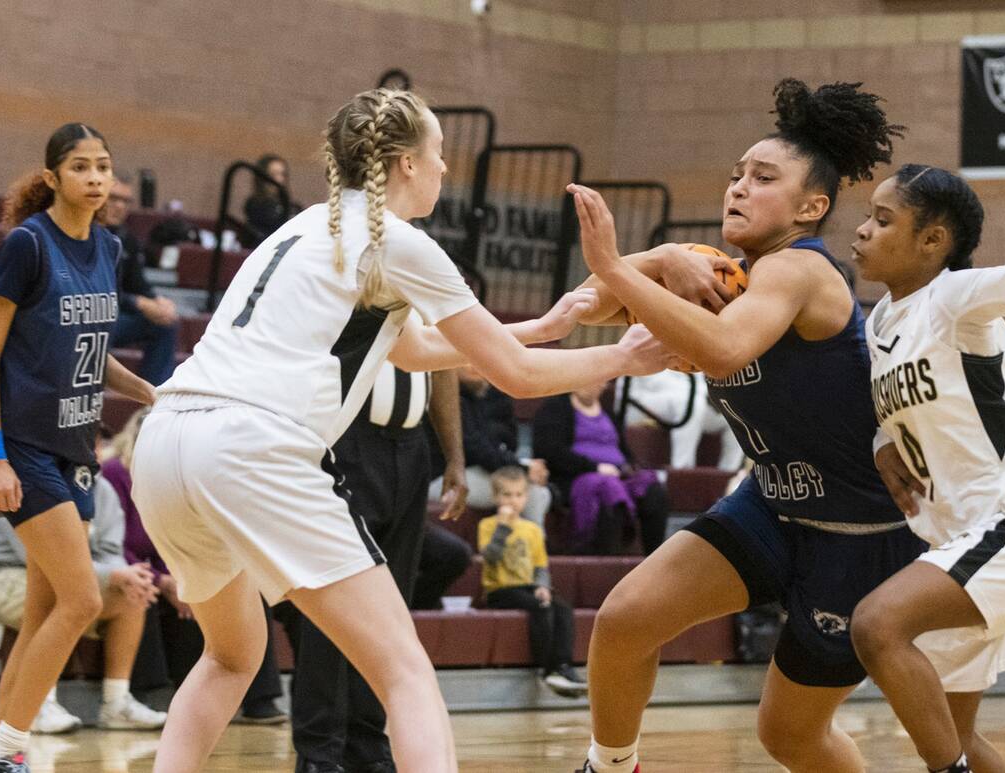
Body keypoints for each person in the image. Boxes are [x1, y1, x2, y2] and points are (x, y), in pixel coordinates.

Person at [127, 87, 668, 773]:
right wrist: (623, 356)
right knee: (405, 671)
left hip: (168, 440)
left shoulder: (305, 226)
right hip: (251, 446)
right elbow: (515, 377)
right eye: (439, 154)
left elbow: (409, 346)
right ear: (407, 164)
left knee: (231, 655)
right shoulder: (399, 240)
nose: (445, 170)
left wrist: (542, 326)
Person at [566, 79, 920, 773]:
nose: (738, 188)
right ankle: (611, 766)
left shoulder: (801, 271)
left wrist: (615, 261)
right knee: (624, 620)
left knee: (789, 736)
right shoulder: (726, 274)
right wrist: (663, 256)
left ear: (811, 206)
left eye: (762, 178)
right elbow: (587, 304)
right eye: (735, 174)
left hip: (859, 533)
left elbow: (725, 348)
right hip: (774, 503)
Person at [847, 82, 1005, 773]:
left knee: (876, 624)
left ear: (932, 241)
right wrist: (880, 441)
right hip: (958, 537)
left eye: (882, 218)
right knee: (957, 741)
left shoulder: (956, 301)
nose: (862, 229)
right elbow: (902, 409)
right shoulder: (879, 320)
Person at [0, 123, 155, 772]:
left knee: (43, 613)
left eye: (104, 166)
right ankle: (5, 750)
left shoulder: (109, 248)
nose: (95, 177)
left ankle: (7, 747)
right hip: (25, 447)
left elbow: (91, 350)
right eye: (80, 166)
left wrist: (146, 389)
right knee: (83, 599)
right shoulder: (27, 246)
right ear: (54, 177)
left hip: (76, 448)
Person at [287, 358, 467, 773]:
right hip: (346, 440)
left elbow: (443, 365)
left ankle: (366, 742)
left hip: (410, 449)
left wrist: (454, 456)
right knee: (335, 602)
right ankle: (319, 751)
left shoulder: (437, 297)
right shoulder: (357, 291)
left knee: (390, 607)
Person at [100, 408, 286, 725]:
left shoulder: (190, 475)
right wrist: (164, 581)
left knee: (238, 596)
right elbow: (120, 545)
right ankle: (147, 698)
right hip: (132, 570)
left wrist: (183, 577)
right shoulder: (116, 473)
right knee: (141, 591)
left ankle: (258, 701)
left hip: (179, 567)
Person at [0, 477, 168, 733]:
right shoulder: (28, 476)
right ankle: (38, 705)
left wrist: (123, 576)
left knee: (130, 598)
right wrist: (112, 575)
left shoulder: (101, 488)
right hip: (4, 571)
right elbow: (38, 556)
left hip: (74, 573)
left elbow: (111, 551)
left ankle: (116, 703)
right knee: (52, 598)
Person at [478, 466, 585, 695]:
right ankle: (546, 669)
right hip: (500, 590)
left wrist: (543, 587)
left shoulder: (532, 530)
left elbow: (540, 566)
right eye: (507, 495)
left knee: (562, 608)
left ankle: (564, 666)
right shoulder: (487, 525)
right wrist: (503, 528)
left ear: (526, 497)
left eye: (518, 495)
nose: (513, 500)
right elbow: (491, 557)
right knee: (539, 608)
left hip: (528, 587)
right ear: (496, 497)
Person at [533, 382, 669, 555]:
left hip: (617, 474)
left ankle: (653, 557)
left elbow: (624, 451)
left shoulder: (608, 413)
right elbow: (550, 451)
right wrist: (595, 467)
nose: (596, 385)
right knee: (610, 489)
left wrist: (629, 467)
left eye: (600, 381)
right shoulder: (554, 409)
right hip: (575, 477)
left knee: (653, 489)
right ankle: (606, 559)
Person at [428, 365, 552, 525]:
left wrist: (522, 467)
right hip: (443, 479)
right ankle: (531, 548)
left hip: (480, 469)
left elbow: (507, 443)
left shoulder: (492, 395)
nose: (474, 366)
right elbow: (476, 450)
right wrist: (523, 469)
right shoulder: (448, 398)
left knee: (539, 488)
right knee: (532, 492)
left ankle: (523, 544)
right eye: (465, 360)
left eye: (477, 359)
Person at [99, 176, 179, 385]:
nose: (119, 206)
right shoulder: (86, 235)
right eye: (114, 198)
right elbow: (97, 291)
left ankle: (153, 396)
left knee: (165, 323)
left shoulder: (127, 239)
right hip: (91, 318)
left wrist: (158, 301)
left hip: (117, 318)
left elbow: (138, 284)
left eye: (126, 201)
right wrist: (140, 303)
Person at [619, 370, 744, 470]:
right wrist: (707, 393)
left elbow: (698, 378)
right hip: (641, 399)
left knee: (735, 411)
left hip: (684, 398)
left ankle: (729, 474)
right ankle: (682, 471)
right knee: (691, 403)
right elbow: (656, 382)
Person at [242, 154, 301, 248]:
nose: (280, 179)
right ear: (263, 177)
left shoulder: (293, 207)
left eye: (283, 174)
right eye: (273, 174)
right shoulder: (255, 206)